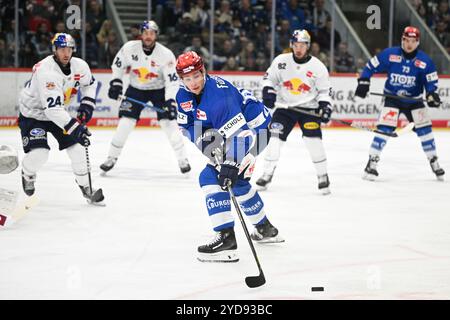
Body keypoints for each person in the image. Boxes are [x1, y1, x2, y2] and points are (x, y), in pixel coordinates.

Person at [175, 51, 284, 263]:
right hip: (229, 133)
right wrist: (205, 143)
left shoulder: (218, 97)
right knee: (237, 182)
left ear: (203, 71)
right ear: (181, 79)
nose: (193, 82)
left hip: (256, 132)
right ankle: (265, 228)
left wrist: (231, 163)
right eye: (187, 78)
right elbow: (187, 125)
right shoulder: (182, 95)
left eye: (196, 76)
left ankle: (227, 241)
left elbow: (241, 135)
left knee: (212, 177)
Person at [18, 33, 104, 204]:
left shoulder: (80, 66)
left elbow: (90, 84)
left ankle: (86, 187)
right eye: (62, 49)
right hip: (33, 114)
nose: (66, 53)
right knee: (41, 153)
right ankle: (27, 173)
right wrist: (76, 128)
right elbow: (52, 110)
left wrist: (87, 104)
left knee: (78, 149)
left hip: (57, 114)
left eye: (69, 49)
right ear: (55, 50)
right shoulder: (47, 71)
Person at [355, 26, 445, 181]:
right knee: (384, 129)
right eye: (406, 40)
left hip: (414, 101)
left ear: (417, 42)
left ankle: (433, 160)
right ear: (402, 40)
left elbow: (431, 81)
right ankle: (372, 163)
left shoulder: (425, 61)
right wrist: (364, 81)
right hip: (392, 98)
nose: (409, 44)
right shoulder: (390, 54)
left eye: (413, 41)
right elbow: (370, 66)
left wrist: (431, 94)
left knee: (425, 131)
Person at [100, 21, 191, 174]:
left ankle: (183, 159)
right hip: (136, 90)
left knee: (169, 124)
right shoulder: (129, 48)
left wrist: (170, 102)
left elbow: (172, 81)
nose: (148, 36)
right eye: (146, 33)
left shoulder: (166, 54)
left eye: (152, 33)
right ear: (141, 34)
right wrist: (116, 83)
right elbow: (118, 65)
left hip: (159, 91)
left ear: (156, 35)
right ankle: (111, 157)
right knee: (125, 124)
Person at [255, 29, 333, 195]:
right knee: (274, 139)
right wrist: (268, 89)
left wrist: (325, 106)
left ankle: (322, 175)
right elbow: (268, 78)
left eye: (302, 45)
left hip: (309, 109)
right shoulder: (281, 61)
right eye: (296, 45)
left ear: (308, 46)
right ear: (291, 45)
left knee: (314, 142)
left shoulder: (318, 67)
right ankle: (267, 173)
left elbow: (325, 91)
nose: (299, 48)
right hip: (285, 109)